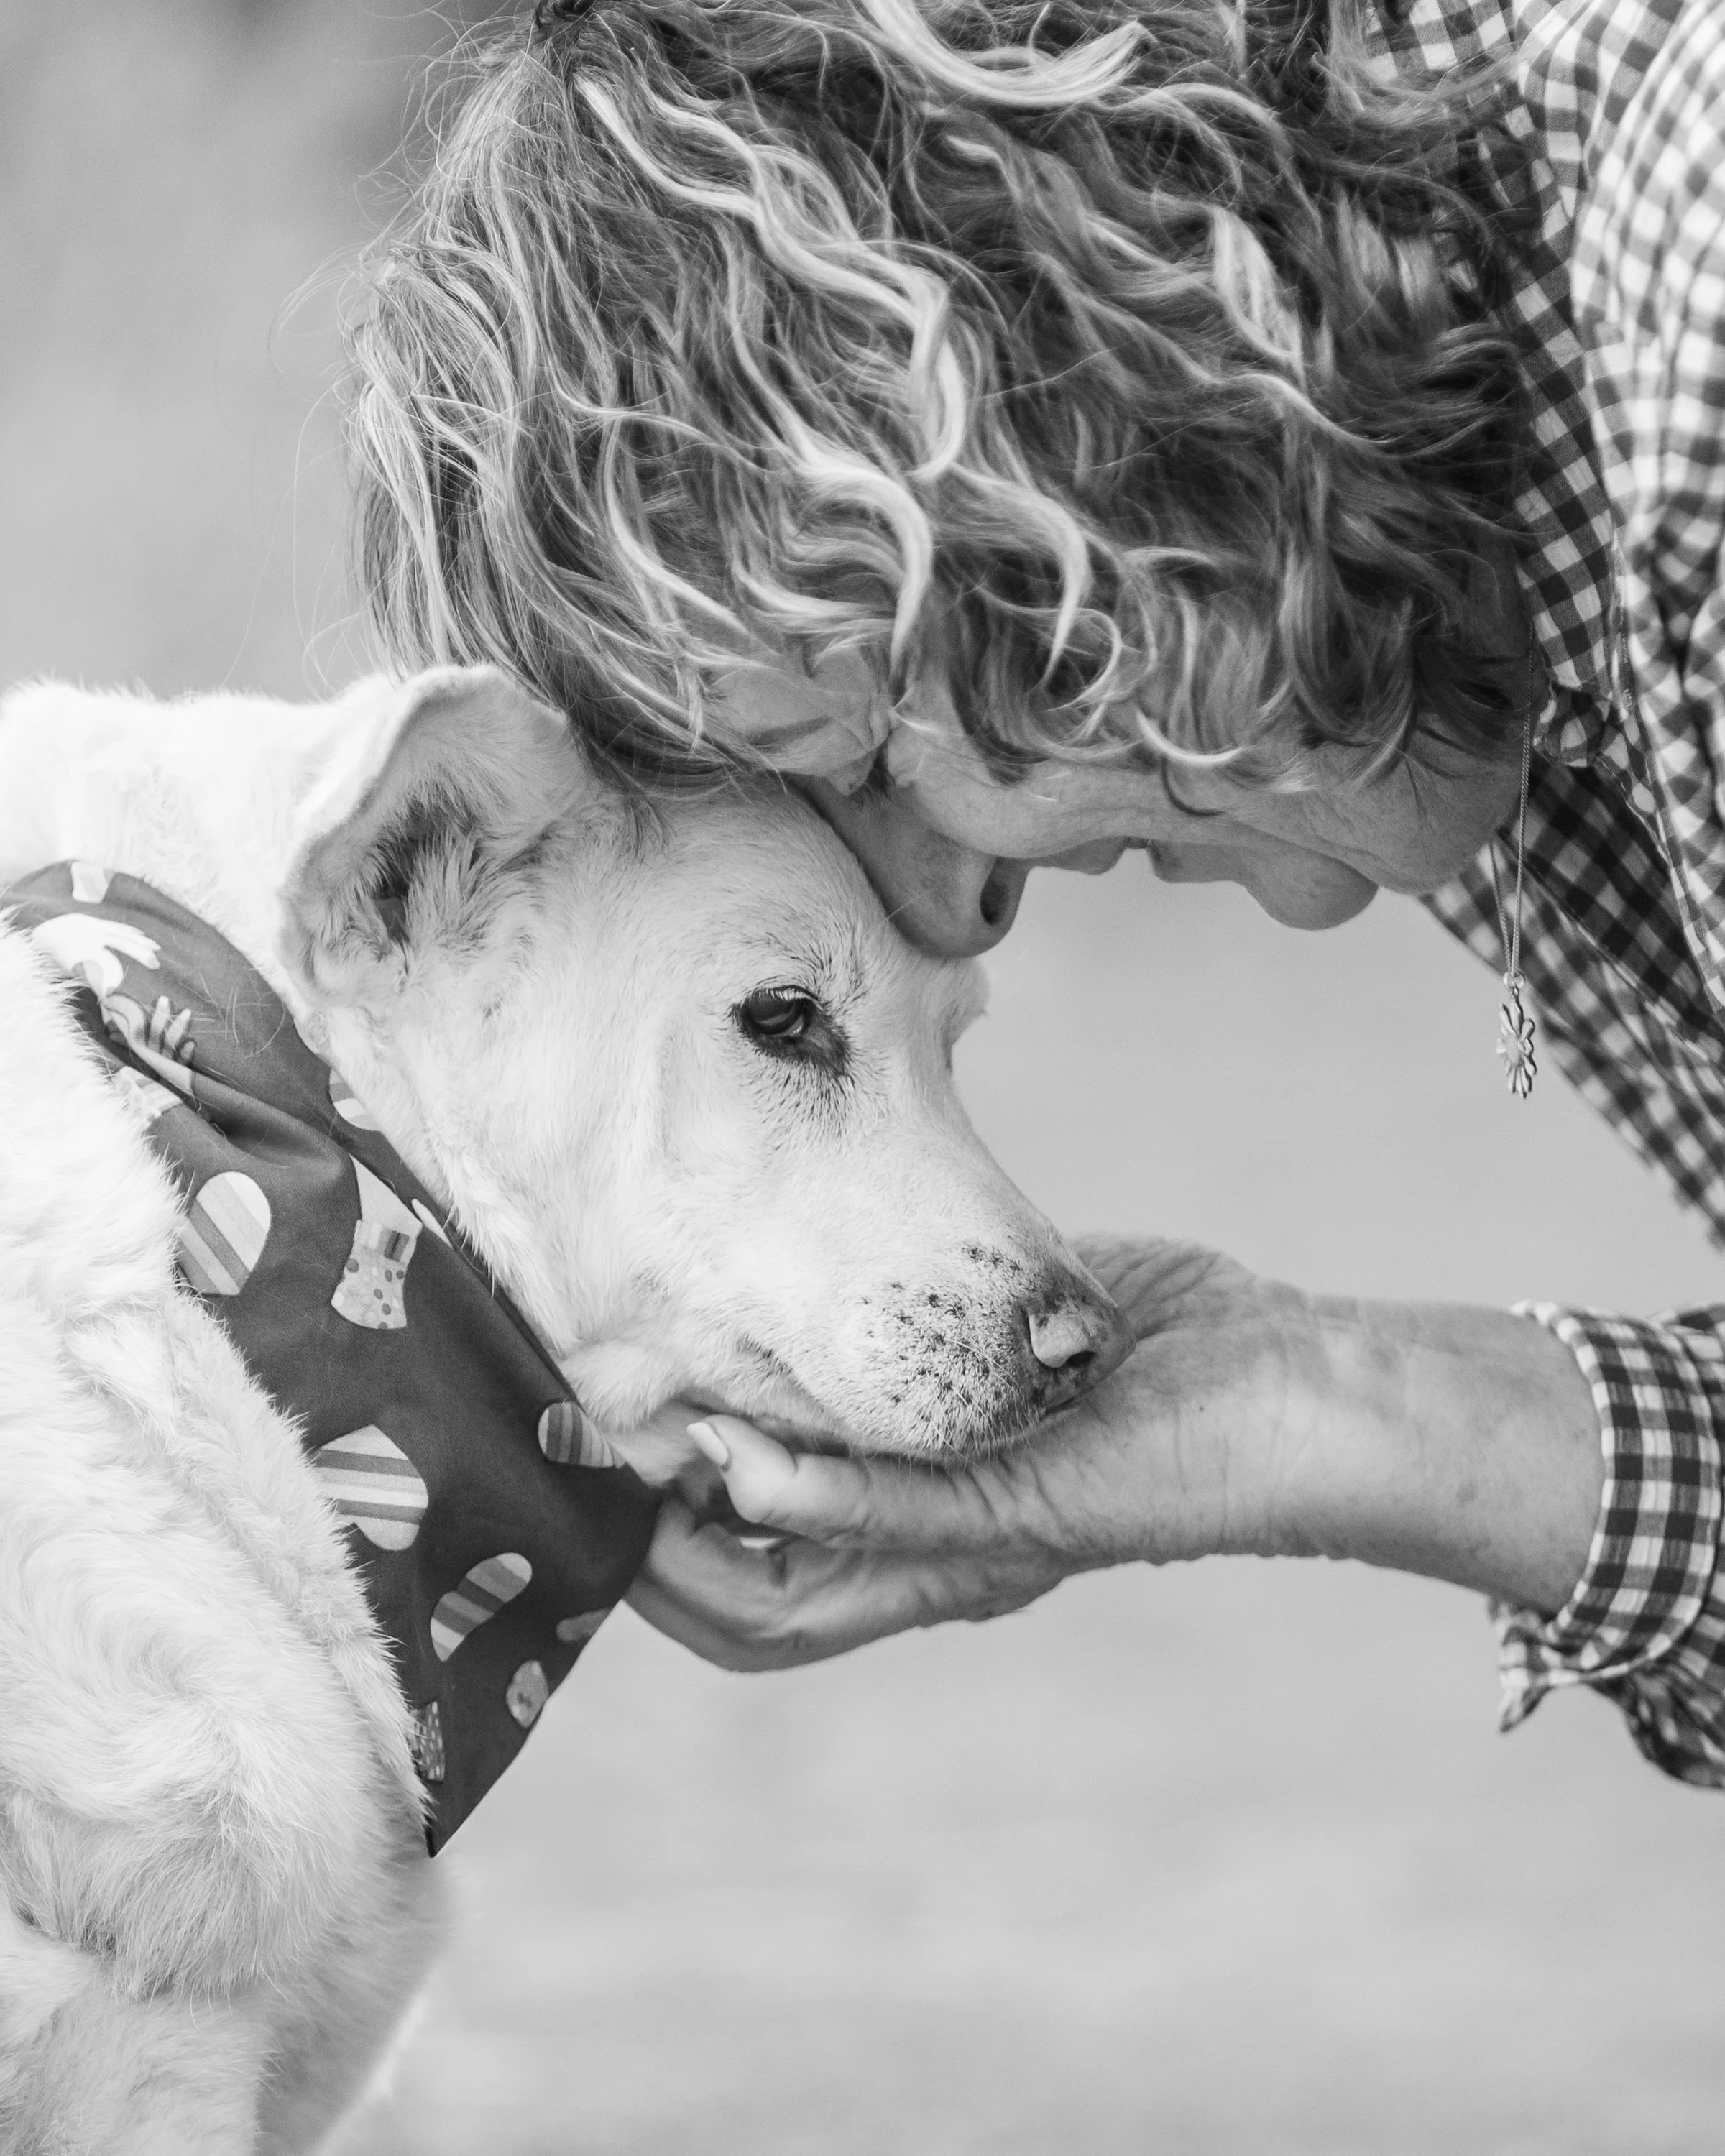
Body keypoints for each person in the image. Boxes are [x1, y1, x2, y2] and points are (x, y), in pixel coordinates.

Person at [345, 0, 1725, 1782]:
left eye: (853, 756)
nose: (946, 907)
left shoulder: (1696, 342)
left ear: (1021, 424)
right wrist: (1321, 1399)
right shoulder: (1380, 642)